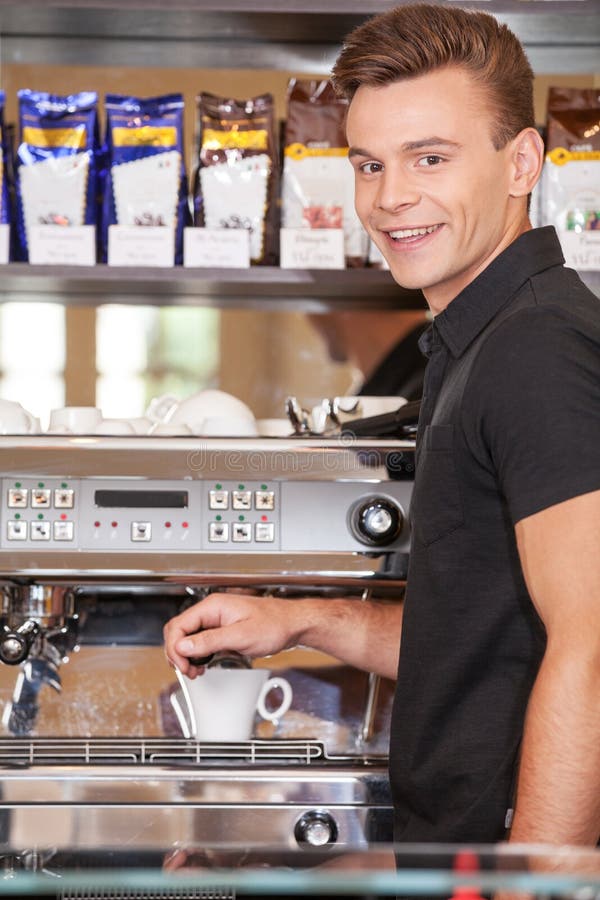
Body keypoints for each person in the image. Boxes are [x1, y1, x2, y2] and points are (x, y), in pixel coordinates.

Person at [165, 4, 600, 848]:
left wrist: (531, 879)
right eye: (369, 164)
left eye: (429, 159)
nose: (391, 198)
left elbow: (593, 645)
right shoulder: (479, 339)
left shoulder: (535, 350)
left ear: (522, 162)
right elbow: (481, 636)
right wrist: (299, 620)